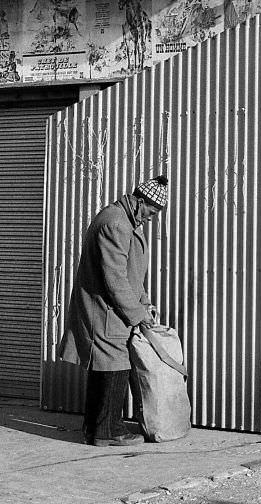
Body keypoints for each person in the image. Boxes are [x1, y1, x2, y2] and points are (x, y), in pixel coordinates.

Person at [57, 175, 169, 446]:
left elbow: (131, 271)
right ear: (140, 202)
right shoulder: (116, 223)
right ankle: (109, 431)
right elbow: (115, 277)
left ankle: (95, 429)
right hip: (104, 311)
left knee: (103, 365)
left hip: (110, 310)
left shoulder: (124, 219)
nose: (151, 218)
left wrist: (144, 304)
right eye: (151, 212)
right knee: (114, 365)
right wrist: (138, 313)